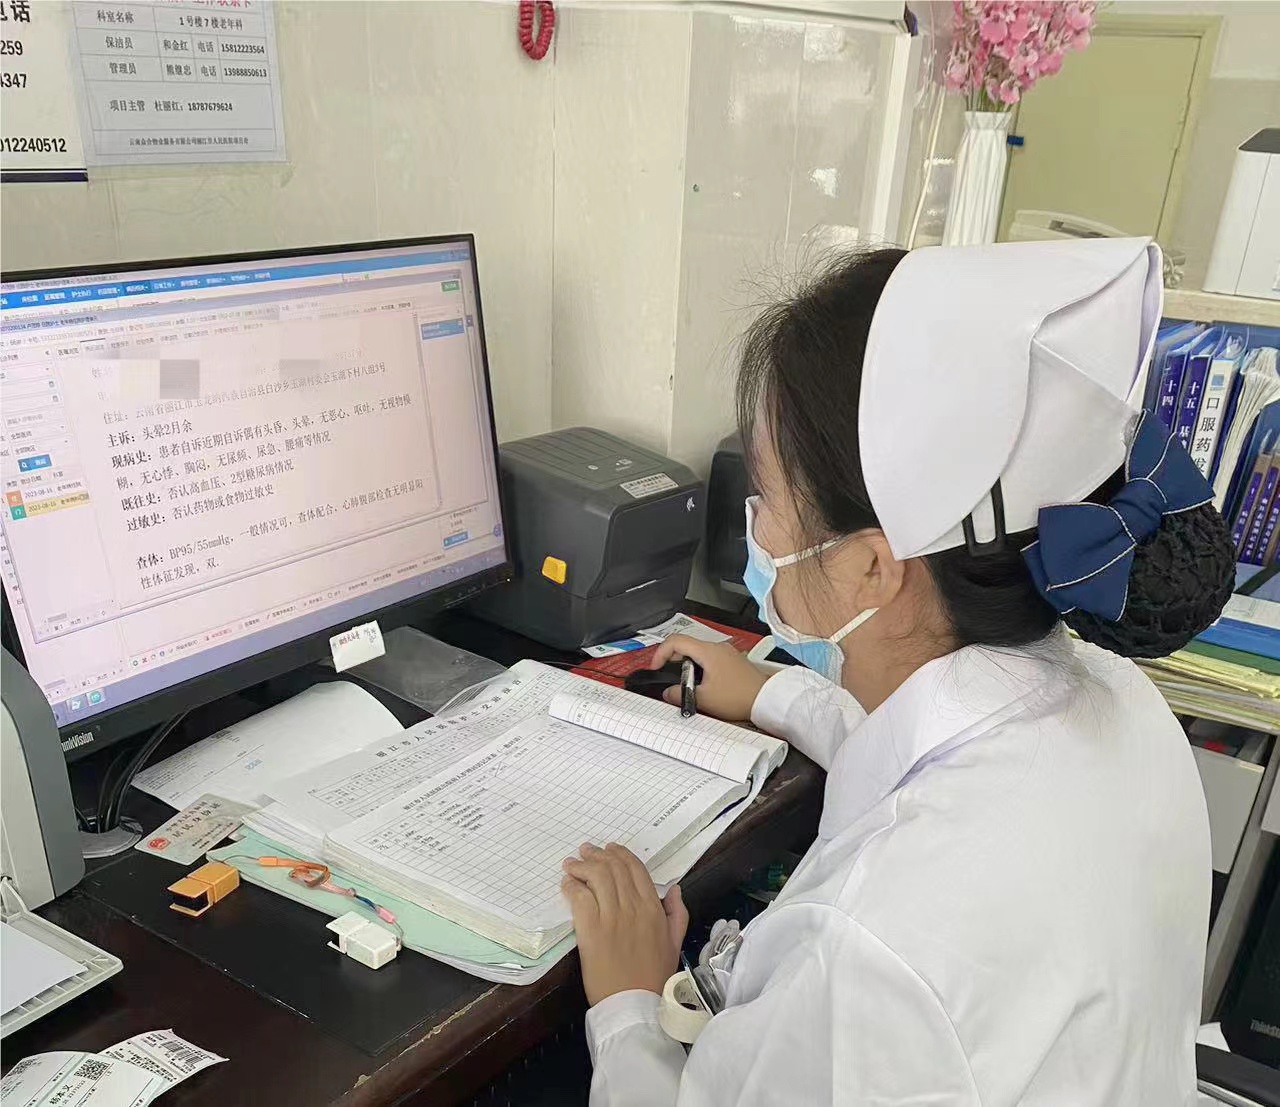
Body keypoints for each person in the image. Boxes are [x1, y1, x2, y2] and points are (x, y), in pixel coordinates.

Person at [559, 239, 1236, 1106]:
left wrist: (626, 1005)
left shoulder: (868, 948)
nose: (756, 528)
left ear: (872, 567)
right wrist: (771, 691)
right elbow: (935, 751)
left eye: (768, 498)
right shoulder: (1123, 702)